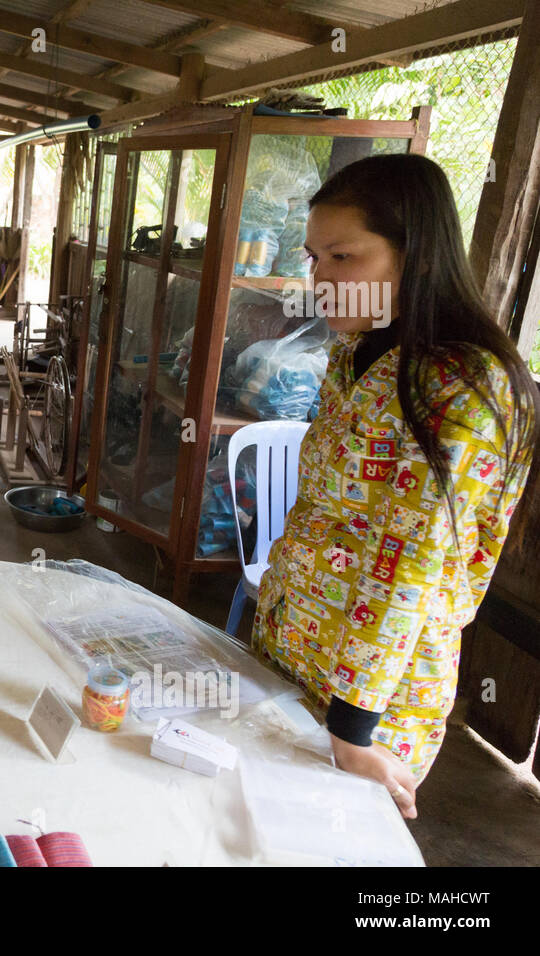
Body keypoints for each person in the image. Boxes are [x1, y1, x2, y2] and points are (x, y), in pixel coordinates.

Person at [251, 153, 538, 819]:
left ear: (415, 255)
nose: (318, 279)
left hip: (373, 701)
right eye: (313, 257)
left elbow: (409, 566)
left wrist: (352, 735)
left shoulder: (460, 386)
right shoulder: (357, 353)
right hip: (294, 645)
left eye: (342, 257)